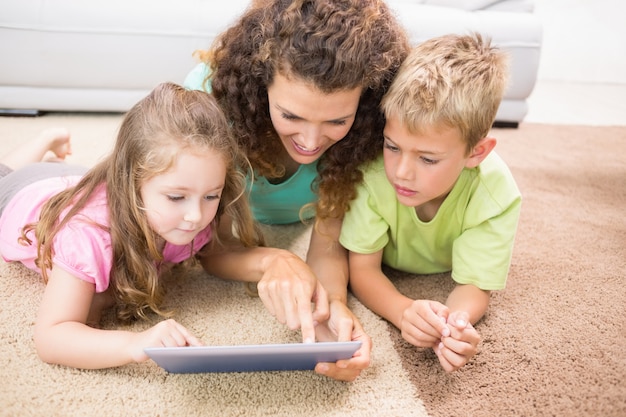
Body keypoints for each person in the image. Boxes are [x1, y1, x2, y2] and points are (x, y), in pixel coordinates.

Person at [185, 0, 409, 381]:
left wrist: (333, 307)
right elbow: (211, 247)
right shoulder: (210, 105)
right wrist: (275, 261)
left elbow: (328, 244)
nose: (309, 141)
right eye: (290, 115)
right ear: (260, 84)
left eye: (337, 120)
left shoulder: (368, 128)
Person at [0, 82, 263, 369]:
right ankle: (45, 139)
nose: (196, 216)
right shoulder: (87, 236)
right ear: (131, 185)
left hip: (75, 180)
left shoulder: (193, 208)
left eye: (211, 195)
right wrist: (134, 343)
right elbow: (52, 337)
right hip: (19, 194)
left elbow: (220, 248)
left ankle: (50, 150)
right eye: (176, 197)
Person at [339, 33, 522, 372]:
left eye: (428, 159)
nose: (401, 172)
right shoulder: (372, 173)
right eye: (392, 146)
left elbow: (474, 285)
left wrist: (455, 326)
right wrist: (402, 310)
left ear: (476, 153)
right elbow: (362, 269)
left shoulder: (496, 194)